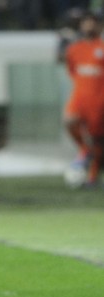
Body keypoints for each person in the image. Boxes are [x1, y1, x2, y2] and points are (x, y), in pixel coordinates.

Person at [63, 11, 104, 188]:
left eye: (92, 22)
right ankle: (85, 150)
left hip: (99, 99)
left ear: (99, 26)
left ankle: (93, 177)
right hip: (80, 96)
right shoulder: (74, 49)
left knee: (97, 139)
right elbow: (72, 71)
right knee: (68, 121)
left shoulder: (102, 47)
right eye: (86, 22)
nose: (89, 26)